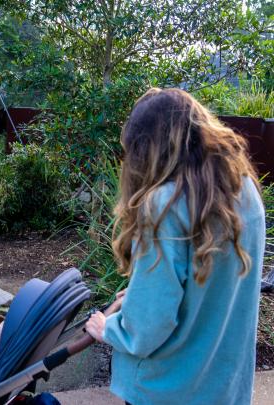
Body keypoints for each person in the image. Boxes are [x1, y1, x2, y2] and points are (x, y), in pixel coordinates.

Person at [85, 88, 265, 405]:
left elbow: (148, 326)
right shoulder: (244, 191)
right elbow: (216, 287)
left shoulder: (163, 204)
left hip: (166, 391)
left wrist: (109, 328)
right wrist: (142, 293)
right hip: (224, 389)